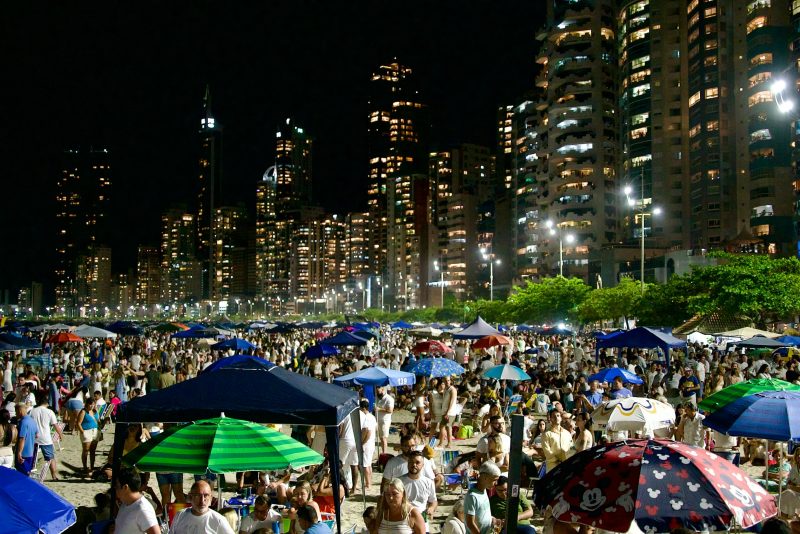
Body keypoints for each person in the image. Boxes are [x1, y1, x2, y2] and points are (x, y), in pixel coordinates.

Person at [114, 466, 161, 534]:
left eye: (117, 486)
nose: (115, 489)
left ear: (125, 487)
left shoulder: (143, 509)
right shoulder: (126, 503)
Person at [400, 450, 437, 532]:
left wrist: (431, 508)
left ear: (423, 465)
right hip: (404, 524)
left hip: (423, 522)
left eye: (417, 462)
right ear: (407, 463)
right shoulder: (399, 482)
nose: (414, 465)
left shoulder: (428, 482)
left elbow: (433, 501)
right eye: (411, 462)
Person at [30, 391, 63, 480]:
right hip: (46, 438)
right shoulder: (49, 412)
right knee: (50, 458)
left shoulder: (32, 411)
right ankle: (54, 476)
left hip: (34, 438)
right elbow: (55, 425)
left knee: (32, 457)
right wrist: (60, 435)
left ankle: (30, 474)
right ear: (47, 403)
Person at [464, 461, 502, 534]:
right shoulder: (472, 496)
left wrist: (492, 519)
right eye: (494, 480)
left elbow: (483, 511)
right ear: (485, 477)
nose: (496, 483)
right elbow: (470, 523)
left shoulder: (484, 490)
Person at [359, 398, 378, 494]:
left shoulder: (366, 417)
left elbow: (367, 431)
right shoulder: (372, 417)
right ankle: (369, 481)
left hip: (367, 444)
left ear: (362, 408)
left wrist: (361, 442)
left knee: (365, 465)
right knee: (369, 464)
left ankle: (368, 484)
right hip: (371, 443)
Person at [77, 397, 100, 473]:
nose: (92, 406)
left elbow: (98, 421)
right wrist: (83, 432)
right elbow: (78, 423)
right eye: (90, 404)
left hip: (95, 431)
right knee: (86, 450)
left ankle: (92, 466)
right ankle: (85, 467)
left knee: (93, 450)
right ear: (87, 404)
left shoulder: (95, 411)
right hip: (87, 431)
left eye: (93, 404)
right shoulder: (83, 411)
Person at [15, 403, 38, 475]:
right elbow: (37, 435)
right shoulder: (32, 420)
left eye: (16, 412)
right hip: (31, 452)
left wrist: (19, 453)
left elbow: (22, 439)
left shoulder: (23, 422)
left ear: (20, 411)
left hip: (23, 453)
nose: (16, 414)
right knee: (27, 474)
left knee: (21, 475)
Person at [440, 376, 459, 448]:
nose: (447, 382)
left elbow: (452, 401)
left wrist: (447, 412)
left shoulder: (452, 389)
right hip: (445, 411)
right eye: (445, 380)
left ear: (450, 381)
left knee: (448, 427)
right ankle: (443, 443)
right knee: (443, 427)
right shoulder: (446, 389)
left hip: (450, 412)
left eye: (448, 380)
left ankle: (448, 443)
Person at [376, 387, 395, 456]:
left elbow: (390, 410)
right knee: (380, 438)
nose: (377, 394)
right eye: (377, 392)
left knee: (383, 438)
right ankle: (382, 453)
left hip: (385, 421)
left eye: (378, 392)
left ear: (383, 390)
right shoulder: (377, 397)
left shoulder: (389, 399)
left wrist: (379, 409)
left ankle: (384, 454)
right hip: (377, 420)